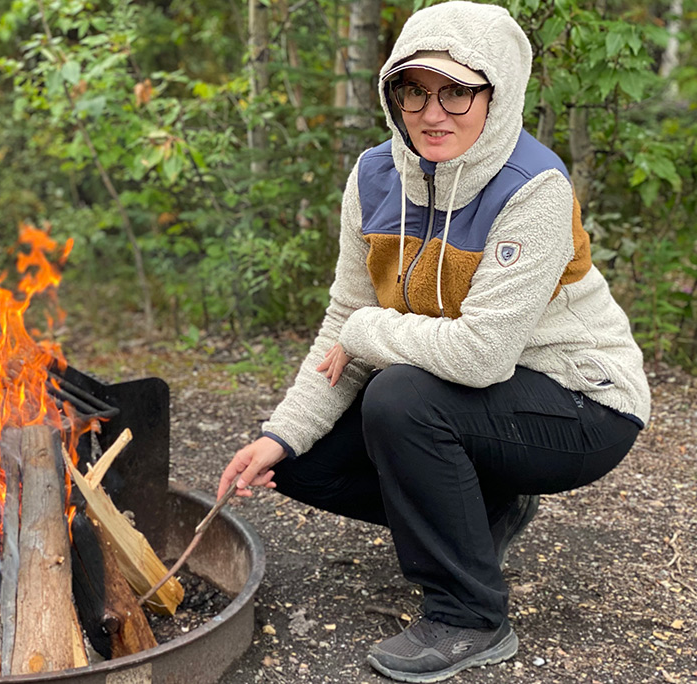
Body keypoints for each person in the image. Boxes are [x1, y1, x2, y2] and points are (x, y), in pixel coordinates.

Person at [216, 2, 651, 682]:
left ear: (495, 92)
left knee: (401, 397)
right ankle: (484, 513)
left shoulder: (533, 188)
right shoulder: (373, 179)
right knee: (301, 459)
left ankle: (468, 616)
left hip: (581, 402)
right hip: (475, 402)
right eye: (413, 89)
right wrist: (283, 433)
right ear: (391, 94)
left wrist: (367, 330)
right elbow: (343, 320)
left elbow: (477, 355)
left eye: (457, 90)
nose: (432, 111)